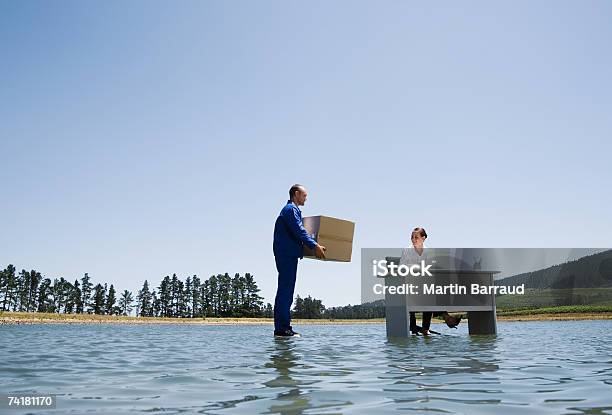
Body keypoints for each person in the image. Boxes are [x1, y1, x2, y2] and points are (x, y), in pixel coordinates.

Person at [272, 184, 326, 337]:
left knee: (286, 290)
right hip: (286, 254)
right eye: (304, 195)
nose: (306, 198)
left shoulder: (292, 210)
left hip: (288, 253)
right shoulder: (290, 210)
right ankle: (282, 329)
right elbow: (299, 230)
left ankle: (283, 327)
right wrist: (315, 245)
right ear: (296, 194)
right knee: (285, 290)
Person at [399, 227, 461, 335]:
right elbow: (401, 267)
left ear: (423, 238)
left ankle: (426, 328)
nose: (413, 240)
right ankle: (443, 317)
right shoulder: (406, 251)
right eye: (412, 237)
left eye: (416, 237)